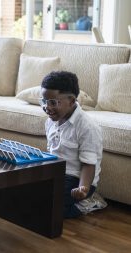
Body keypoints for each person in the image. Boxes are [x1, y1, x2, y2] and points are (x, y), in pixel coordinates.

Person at [40, 71, 106, 218]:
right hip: (55, 171)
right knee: (26, 194)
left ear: (71, 101)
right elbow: (52, 151)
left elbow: (88, 164)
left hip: (76, 179)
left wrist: (83, 188)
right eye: (44, 101)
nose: (47, 107)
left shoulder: (87, 126)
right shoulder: (50, 121)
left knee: (49, 210)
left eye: (53, 102)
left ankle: (87, 203)